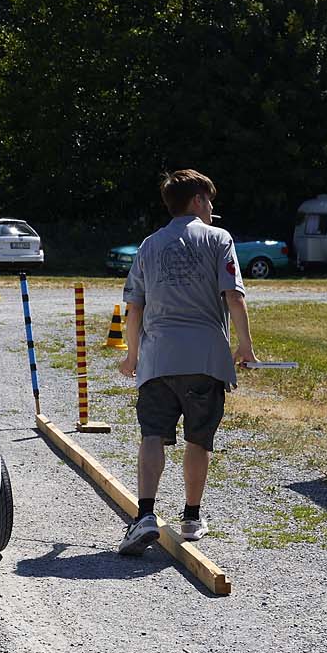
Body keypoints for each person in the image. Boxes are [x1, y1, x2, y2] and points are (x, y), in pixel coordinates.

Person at [116, 169, 257, 556]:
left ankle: (145, 515)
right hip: (205, 359)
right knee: (198, 439)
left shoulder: (149, 245)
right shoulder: (219, 239)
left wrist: (132, 356)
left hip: (157, 359)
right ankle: (191, 518)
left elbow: (134, 308)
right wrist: (245, 347)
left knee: (151, 435)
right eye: (209, 200)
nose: (211, 208)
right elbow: (234, 297)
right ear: (197, 200)